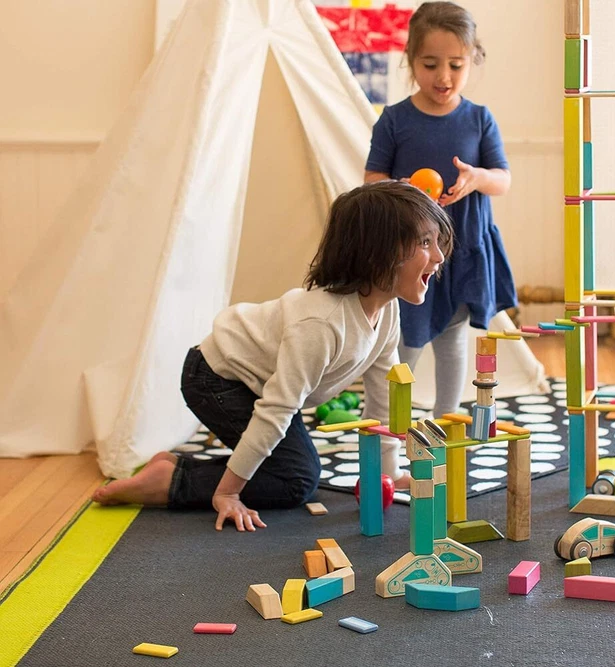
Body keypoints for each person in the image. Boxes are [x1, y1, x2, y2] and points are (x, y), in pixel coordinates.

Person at [92, 181, 454, 531]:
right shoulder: (322, 323)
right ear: (377, 253)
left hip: (262, 384)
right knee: (296, 480)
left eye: (436, 242)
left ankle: (176, 468)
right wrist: (228, 493)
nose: (439, 256)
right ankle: (171, 482)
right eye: (425, 243)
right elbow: (277, 409)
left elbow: (384, 396)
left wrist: (388, 473)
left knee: (296, 469)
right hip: (217, 376)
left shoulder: (386, 311)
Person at [364, 1, 515, 417]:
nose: (443, 77)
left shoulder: (479, 119)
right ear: (411, 60)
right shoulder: (395, 120)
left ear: (472, 60)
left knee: (452, 340)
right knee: (404, 343)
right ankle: (388, 425)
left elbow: (502, 180)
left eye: (456, 65)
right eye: (430, 65)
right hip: (409, 252)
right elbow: (372, 179)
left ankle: (445, 422)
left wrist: (475, 178)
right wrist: (402, 189)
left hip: (461, 250)